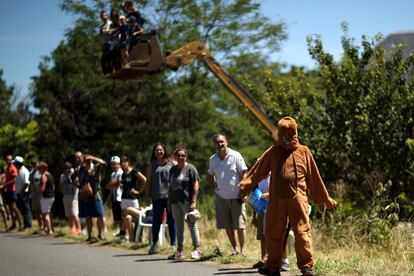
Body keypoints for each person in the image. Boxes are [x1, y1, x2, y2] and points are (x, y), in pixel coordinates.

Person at [239, 117, 337, 276]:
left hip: (297, 200)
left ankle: (307, 267)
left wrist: (325, 199)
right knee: (273, 232)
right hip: (276, 199)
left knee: (302, 232)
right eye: (282, 134)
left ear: (295, 133)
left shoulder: (304, 151)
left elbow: (314, 177)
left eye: (289, 134)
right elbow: (258, 171)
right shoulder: (273, 151)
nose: (285, 138)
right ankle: (273, 267)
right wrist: (245, 187)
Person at [208, 134, 248, 255]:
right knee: (227, 225)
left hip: (237, 196)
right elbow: (211, 174)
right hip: (221, 197)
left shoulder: (236, 155)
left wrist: (244, 192)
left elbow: (244, 174)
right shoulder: (213, 159)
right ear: (214, 144)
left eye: (222, 142)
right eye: (217, 142)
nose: (220, 144)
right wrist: (214, 188)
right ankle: (235, 249)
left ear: (227, 142)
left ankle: (243, 250)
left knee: (240, 225)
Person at [168, 147, 201, 260]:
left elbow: (196, 185)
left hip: (187, 201)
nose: (181, 157)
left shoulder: (190, 168)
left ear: (186, 156)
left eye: (183, 155)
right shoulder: (172, 170)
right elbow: (170, 187)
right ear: (175, 157)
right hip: (175, 202)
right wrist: (169, 201)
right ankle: (179, 250)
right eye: (178, 155)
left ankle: (197, 249)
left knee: (192, 225)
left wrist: (193, 201)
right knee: (178, 226)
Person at [251, 175, 289, 271]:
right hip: (263, 210)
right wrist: (254, 214)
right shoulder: (258, 178)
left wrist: (268, 194)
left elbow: (282, 188)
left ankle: (285, 261)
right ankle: (267, 261)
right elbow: (255, 195)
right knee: (265, 236)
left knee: (281, 235)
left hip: (277, 209)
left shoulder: (276, 174)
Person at [145, 143, 176, 254]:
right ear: (154, 152)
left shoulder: (171, 162)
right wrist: (147, 195)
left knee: (172, 221)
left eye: (161, 150)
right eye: (157, 150)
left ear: (164, 150)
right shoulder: (151, 165)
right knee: (156, 221)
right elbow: (148, 182)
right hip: (157, 197)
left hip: (170, 197)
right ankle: (154, 244)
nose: (159, 152)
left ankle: (173, 245)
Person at [74, 155, 106, 241]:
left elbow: (104, 163)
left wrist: (93, 157)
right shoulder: (81, 170)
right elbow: (75, 179)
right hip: (86, 195)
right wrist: (79, 185)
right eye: (87, 160)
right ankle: (89, 236)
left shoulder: (95, 168)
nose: (88, 161)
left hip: (96, 195)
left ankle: (100, 234)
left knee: (100, 215)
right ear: (84, 161)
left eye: (90, 160)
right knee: (88, 216)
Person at [119, 155, 146, 241]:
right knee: (127, 218)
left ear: (128, 162)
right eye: (121, 162)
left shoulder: (134, 171)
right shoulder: (123, 174)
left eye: (124, 161)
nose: (123, 164)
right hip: (124, 198)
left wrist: (139, 191)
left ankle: (124, 232)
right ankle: (131, 238)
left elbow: (144, 180)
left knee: (135, 219)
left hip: (133, 199)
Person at [1, 154, 22, 231]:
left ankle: (20, 223)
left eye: (9, 159)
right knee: (10, 208)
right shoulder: (7, 168)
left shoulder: (13, 168)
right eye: (7, 159)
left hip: (13, 190)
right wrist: (3, 184)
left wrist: (5, 184)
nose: (8, 161)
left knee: (14, 207)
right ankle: (14, 224)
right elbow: (6, 178)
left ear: (12, 160)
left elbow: (14, 179)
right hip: (8, 190)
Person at [59, 162, 80, 235]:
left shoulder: (74, 174)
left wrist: (71, 176)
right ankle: (72, 228)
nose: (67, 170)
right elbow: (60, 185)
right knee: (69, 214)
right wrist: (63, 191)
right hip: (66, 196)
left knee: (74, 213)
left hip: (74, 196)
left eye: (68, 168)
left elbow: (77, 184)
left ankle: (78, 229)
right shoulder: (62, 176)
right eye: (65, 169)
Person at [105, 156, 124, 237]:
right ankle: (121, 231)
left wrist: (112, 184)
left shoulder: (121, 172)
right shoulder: (113, 174)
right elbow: (111, 185)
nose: (114, 166)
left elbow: (118, 183)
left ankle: (124, 233)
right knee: (118, 217)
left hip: (120, 198)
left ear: (119, 164)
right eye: (112, 164)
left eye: (115, 164)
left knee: (122, 216)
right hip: (114, 197)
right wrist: (112, 184)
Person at [13, 156, 32, 230]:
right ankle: (26, 224)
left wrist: (21, 192)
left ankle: (28, 225)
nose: (14, 164)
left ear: (18, 164)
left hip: (24, 193)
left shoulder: (24, 171)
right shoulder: (20, 170)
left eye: (15, 163)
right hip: (20, 193)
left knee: (26, 209)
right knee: (23, 209)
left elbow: (27, 183)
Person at [38, 162, 55, 235]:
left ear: (43, 168)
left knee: (45, 214)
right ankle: (51, 228)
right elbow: (53, 187)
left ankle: (49, 230)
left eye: (39, 168)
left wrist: (39, 195)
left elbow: (42, 188)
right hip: (51, 196)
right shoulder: (50, 175)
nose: (38, 170)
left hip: (46, 197)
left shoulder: (43, 176)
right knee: (49, 213)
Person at [29, 157, 43, 232]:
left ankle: (43, 225)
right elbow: (29, 183)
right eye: (32, 163)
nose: (34, 165)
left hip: (40, 195)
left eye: (35, 163)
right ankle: (40, 226)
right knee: (36, 210)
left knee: (41, 211)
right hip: (33, 194)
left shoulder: (41, 172)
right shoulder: (30, 172)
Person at [99, 10, 113, 75]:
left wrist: (104, 31)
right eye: (102, 16)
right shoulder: (101, 26)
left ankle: (110, 71)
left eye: (104, 15)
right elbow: (101, 34)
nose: (103, 17)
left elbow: (110, 32)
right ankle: (106, 73)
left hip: (110, 42)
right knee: (103, 60)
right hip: (104, 43)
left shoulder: (110, 23)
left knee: (109, 58)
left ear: (107, 16)